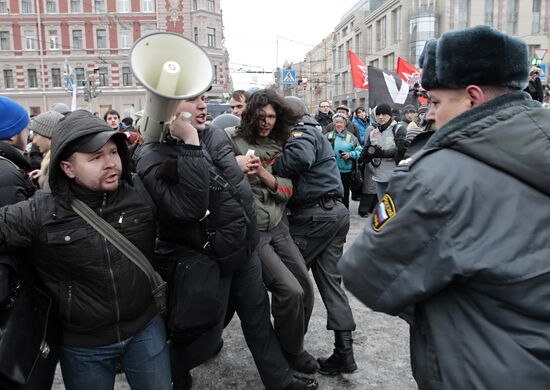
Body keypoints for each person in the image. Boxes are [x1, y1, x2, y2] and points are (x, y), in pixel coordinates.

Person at [339, 25, 550, 389]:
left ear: (473, 97)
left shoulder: (436, 176)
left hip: (481, 369)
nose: (429, 115)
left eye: (435, 102)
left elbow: (367, 275)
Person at [135, 93, 318, 390]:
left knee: (258, 319)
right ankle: (167, 370)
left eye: (203, 98)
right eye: (192, 100)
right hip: (204, 258)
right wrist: (192, 145)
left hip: (241, 249)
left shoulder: (213, 135)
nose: (203, 105)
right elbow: (190, 207)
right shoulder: (152, 153)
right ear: (166, 109)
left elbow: (233, 186)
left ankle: (280, 381)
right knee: (205, 340)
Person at [0, 109, 172, 390]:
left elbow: (190, 211)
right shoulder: (41, 211)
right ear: (67, 168)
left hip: (145, 329)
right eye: (95, 157)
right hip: (83, 347)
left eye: (113, 152)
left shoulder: (139, 191)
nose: (110, 163)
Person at [225, 89, 317, 374]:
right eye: (261, 116)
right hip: (253, 232)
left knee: (305, 288)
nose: (266, 122)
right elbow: (210, 171)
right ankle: (290, 351)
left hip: (279, 227)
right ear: (250, 115)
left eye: (272, 117)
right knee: (289, 290)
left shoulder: (281, 143)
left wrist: (265, 175)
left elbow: (287, 190)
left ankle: (291, 345)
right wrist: (235, 166)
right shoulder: (230, 137)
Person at [274, 96, 357, 376]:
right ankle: (344, 353)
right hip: (333, 214)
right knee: (331, 284)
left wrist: (267, 168)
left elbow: (300, 157)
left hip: (314, 217)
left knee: (291, 283)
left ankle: (288, 353)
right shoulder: (315, 129)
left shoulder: (302, 129)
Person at [0, 96, 61, 390]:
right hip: (13, 292)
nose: (30, 135)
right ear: (13, 133)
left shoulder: (9, 169)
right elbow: (19, 237)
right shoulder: (6, 173)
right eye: (27, 128)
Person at [363, 103, 406, 200]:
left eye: (384, 114)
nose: (381, 117)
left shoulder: (399, 129)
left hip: (395, 176)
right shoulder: (373, 132)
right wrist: (365, 154)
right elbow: (368, 149)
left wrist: (382, 153)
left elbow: (401, 151)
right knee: (383, 206)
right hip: (379, 175)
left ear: (390, 115)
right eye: (378, 115)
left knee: (395, 207)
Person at [325, 113, 362, 209]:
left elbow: (359, 151)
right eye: (336, 122)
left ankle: (344, 211)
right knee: (331, 192)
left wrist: (350, 155)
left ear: (345, 124)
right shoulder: (327, 136)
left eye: (341, 122)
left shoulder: (352, 137)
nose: (339, 124)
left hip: (345, 170)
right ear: (333, 124)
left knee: (345, 192)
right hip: (330, 170)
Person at [27, 110, 64, 190]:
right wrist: (44, 174)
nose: (34, 141)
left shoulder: (59, 166)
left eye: (36, 135)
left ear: (49, 136)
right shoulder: (53, 160)